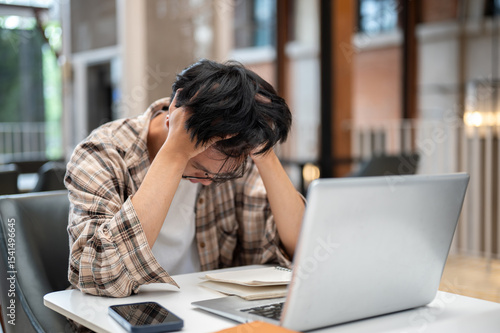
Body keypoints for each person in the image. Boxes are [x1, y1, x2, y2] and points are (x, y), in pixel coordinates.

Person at [65, 59, 305, 298]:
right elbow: (102, 275)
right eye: (199, 169)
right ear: (173, 117)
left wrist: (265, 154)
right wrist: (175, 154)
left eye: (220, 176)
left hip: (207, 313)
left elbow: (302, 249)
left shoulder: (232, 154)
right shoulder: (102, 153)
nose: (209, 181)